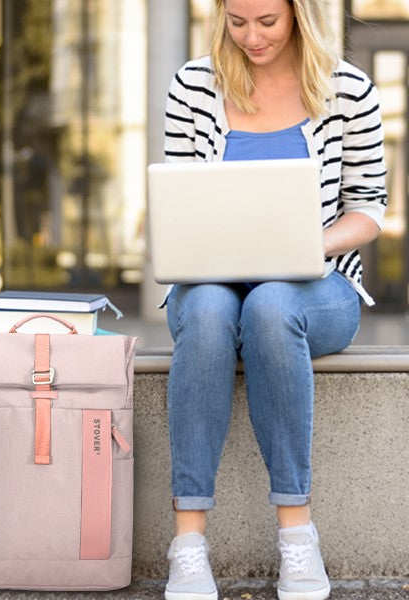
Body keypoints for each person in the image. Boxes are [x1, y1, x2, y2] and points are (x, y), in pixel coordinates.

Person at [161, 2, 387, 600]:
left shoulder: (348, 90)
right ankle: (187, 545)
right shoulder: (193, 85)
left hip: (318, 286)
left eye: (267, 20)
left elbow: (370, 208)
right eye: (237, 21)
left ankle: (297, 535)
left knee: (269, 306)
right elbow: (176, 199)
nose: (251, 36)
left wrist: (312, 244)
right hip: (208, 284)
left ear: (298, 13)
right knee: (210, 311)